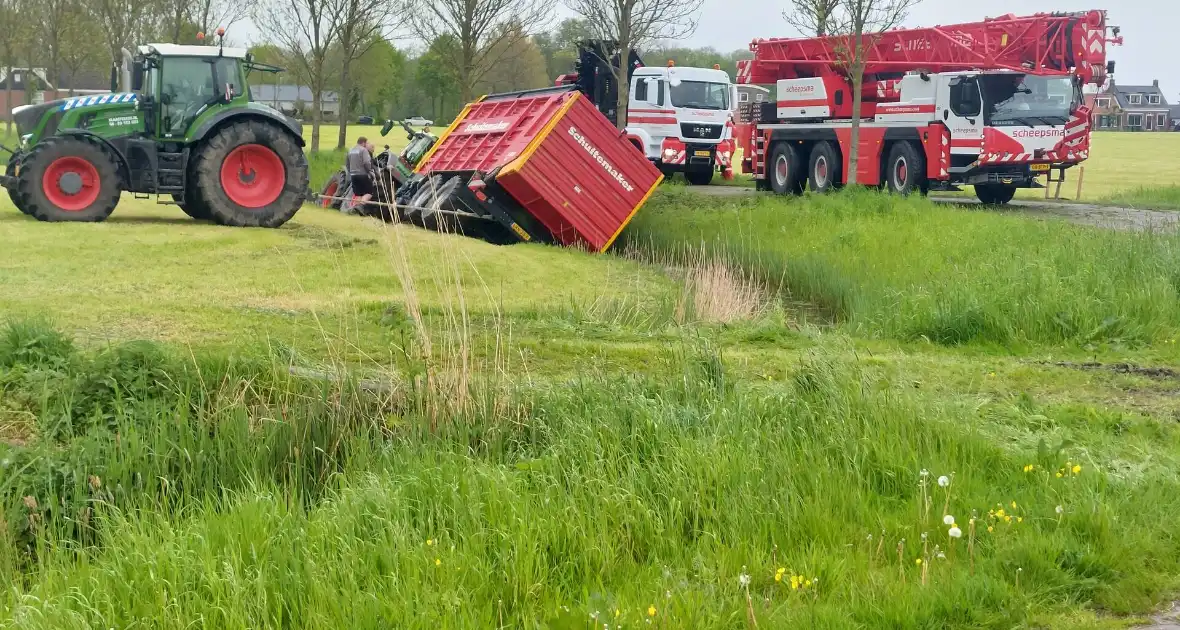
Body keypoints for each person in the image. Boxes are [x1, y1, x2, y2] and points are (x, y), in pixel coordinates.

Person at [347, 137, 375, 204]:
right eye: (366, 143)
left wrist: (351, 172)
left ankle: (355, 209)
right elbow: (366, 162)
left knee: (358, 194)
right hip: (362, 175)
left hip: (353, 176)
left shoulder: (350, 150)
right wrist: (369, 171)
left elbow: (347, 164)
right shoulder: (363, 150)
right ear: (363, 143)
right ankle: (360, 206)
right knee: (369, 193)